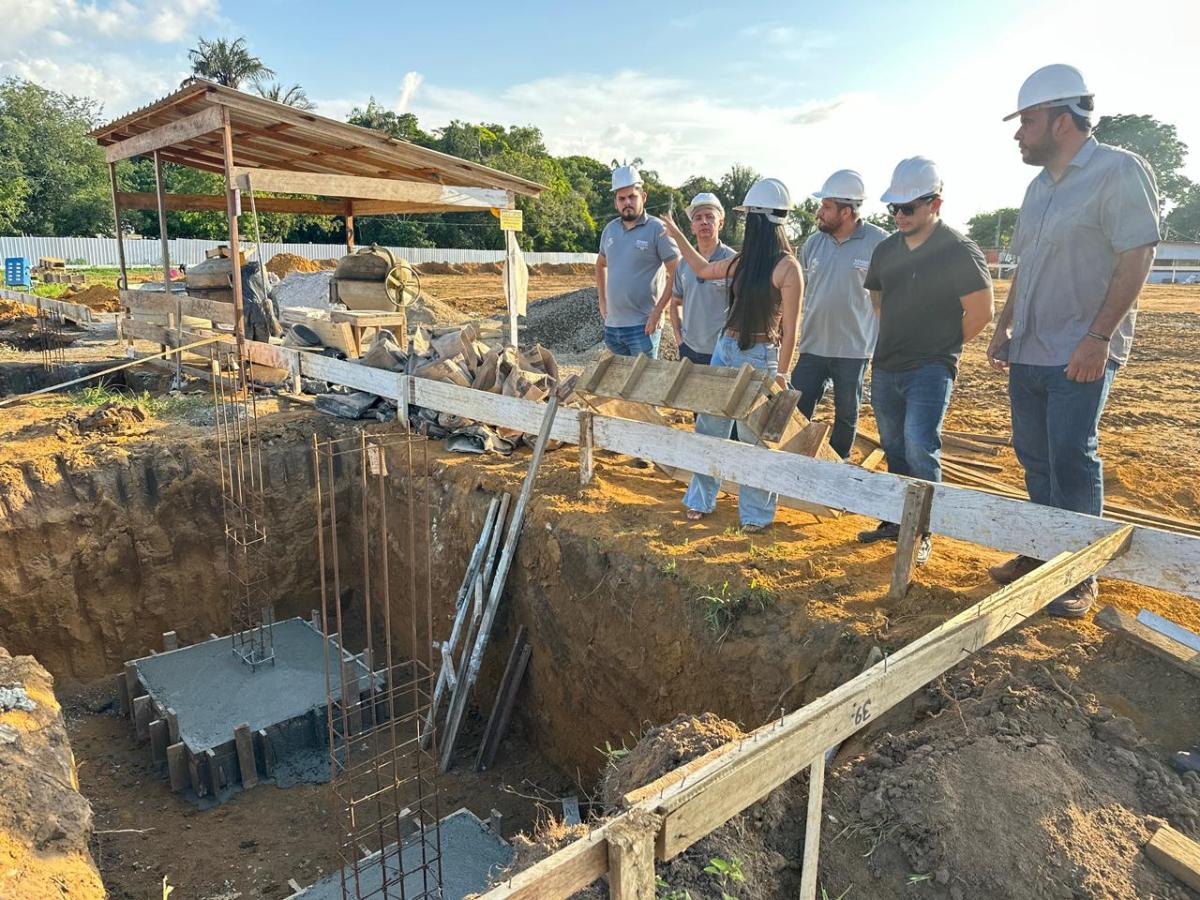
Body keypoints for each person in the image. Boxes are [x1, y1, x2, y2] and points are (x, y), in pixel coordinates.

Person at [987, 64, 1159, 617]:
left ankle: (1080, 572)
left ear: (1063, 121)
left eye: (1028, 121)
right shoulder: (1037, 189)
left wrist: (1098, 336)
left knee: (1070, 454)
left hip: (1081, 350)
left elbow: (1138, 256)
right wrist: (1004, 323)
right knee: (1034, 453)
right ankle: (1043, 552)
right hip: (1031, 348)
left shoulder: (1118, 171)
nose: (1018, 133)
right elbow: (1026, 265)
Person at [857, 157, 994, 563]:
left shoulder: (957, 251)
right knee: (894, 445)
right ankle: (898, 520)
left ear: (935, 204)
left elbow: (981, 311)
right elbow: (877, 298)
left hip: (930, 369)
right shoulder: (885, 250)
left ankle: (922, 530)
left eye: (908, 208)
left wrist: (940, 349)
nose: (899, 216)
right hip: (886, 366)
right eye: (893, 209)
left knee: (920, 445)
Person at [659, 178, 802, 533]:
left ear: (759, 221)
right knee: (710, 426)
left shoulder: (787, 268)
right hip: (726, 349)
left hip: (760, 357)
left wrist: (782, 374)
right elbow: (704, 271)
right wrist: (678, 236)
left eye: (749, 217)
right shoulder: (743, 262)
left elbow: (791, 330)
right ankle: (701, 498)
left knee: (754, 438)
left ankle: (756, 514)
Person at [790, 170, 889, 459]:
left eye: (826, 207)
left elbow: (888, 298)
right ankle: (795, 457)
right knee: (798, 407)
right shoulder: (813, 244)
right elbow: (801, 288)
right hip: (812, 344)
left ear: (846, 212)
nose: (819, 212)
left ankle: (838, 462)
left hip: (854, 348)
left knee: (847, 412)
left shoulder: (879, 243)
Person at [595, 165, 680, 357]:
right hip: (613, 328)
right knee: (617, 384)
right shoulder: (610, 230)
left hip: (643, 327)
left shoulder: (658, 229)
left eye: (632, 196)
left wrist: (659, 311)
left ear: (643, 197)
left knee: (643, 384)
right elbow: (600, 265)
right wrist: (602, 300)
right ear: (615, 202)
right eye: (621, 198)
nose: (627, 202)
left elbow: (677, 271)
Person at [664, 192, 736, 364]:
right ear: (692, 227)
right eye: (698, 218)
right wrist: (680, 340)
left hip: (722, 353)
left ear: (721, 223)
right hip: (689, 350)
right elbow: (675, 303)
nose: (704, 221)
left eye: (710, 216)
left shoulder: (733, 262)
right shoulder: (683, 264)